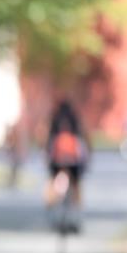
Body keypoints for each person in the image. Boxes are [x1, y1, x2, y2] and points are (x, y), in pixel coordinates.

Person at [45, 99, 89, 231]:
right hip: (74, 162)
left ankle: (50, 206)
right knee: (76, 185)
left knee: (52, 183)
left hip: (57, 162)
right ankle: (77, 216)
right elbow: (84, 142)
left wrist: (48, 161)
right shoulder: (75, 121)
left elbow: (48, 144)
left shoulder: (54, 120)